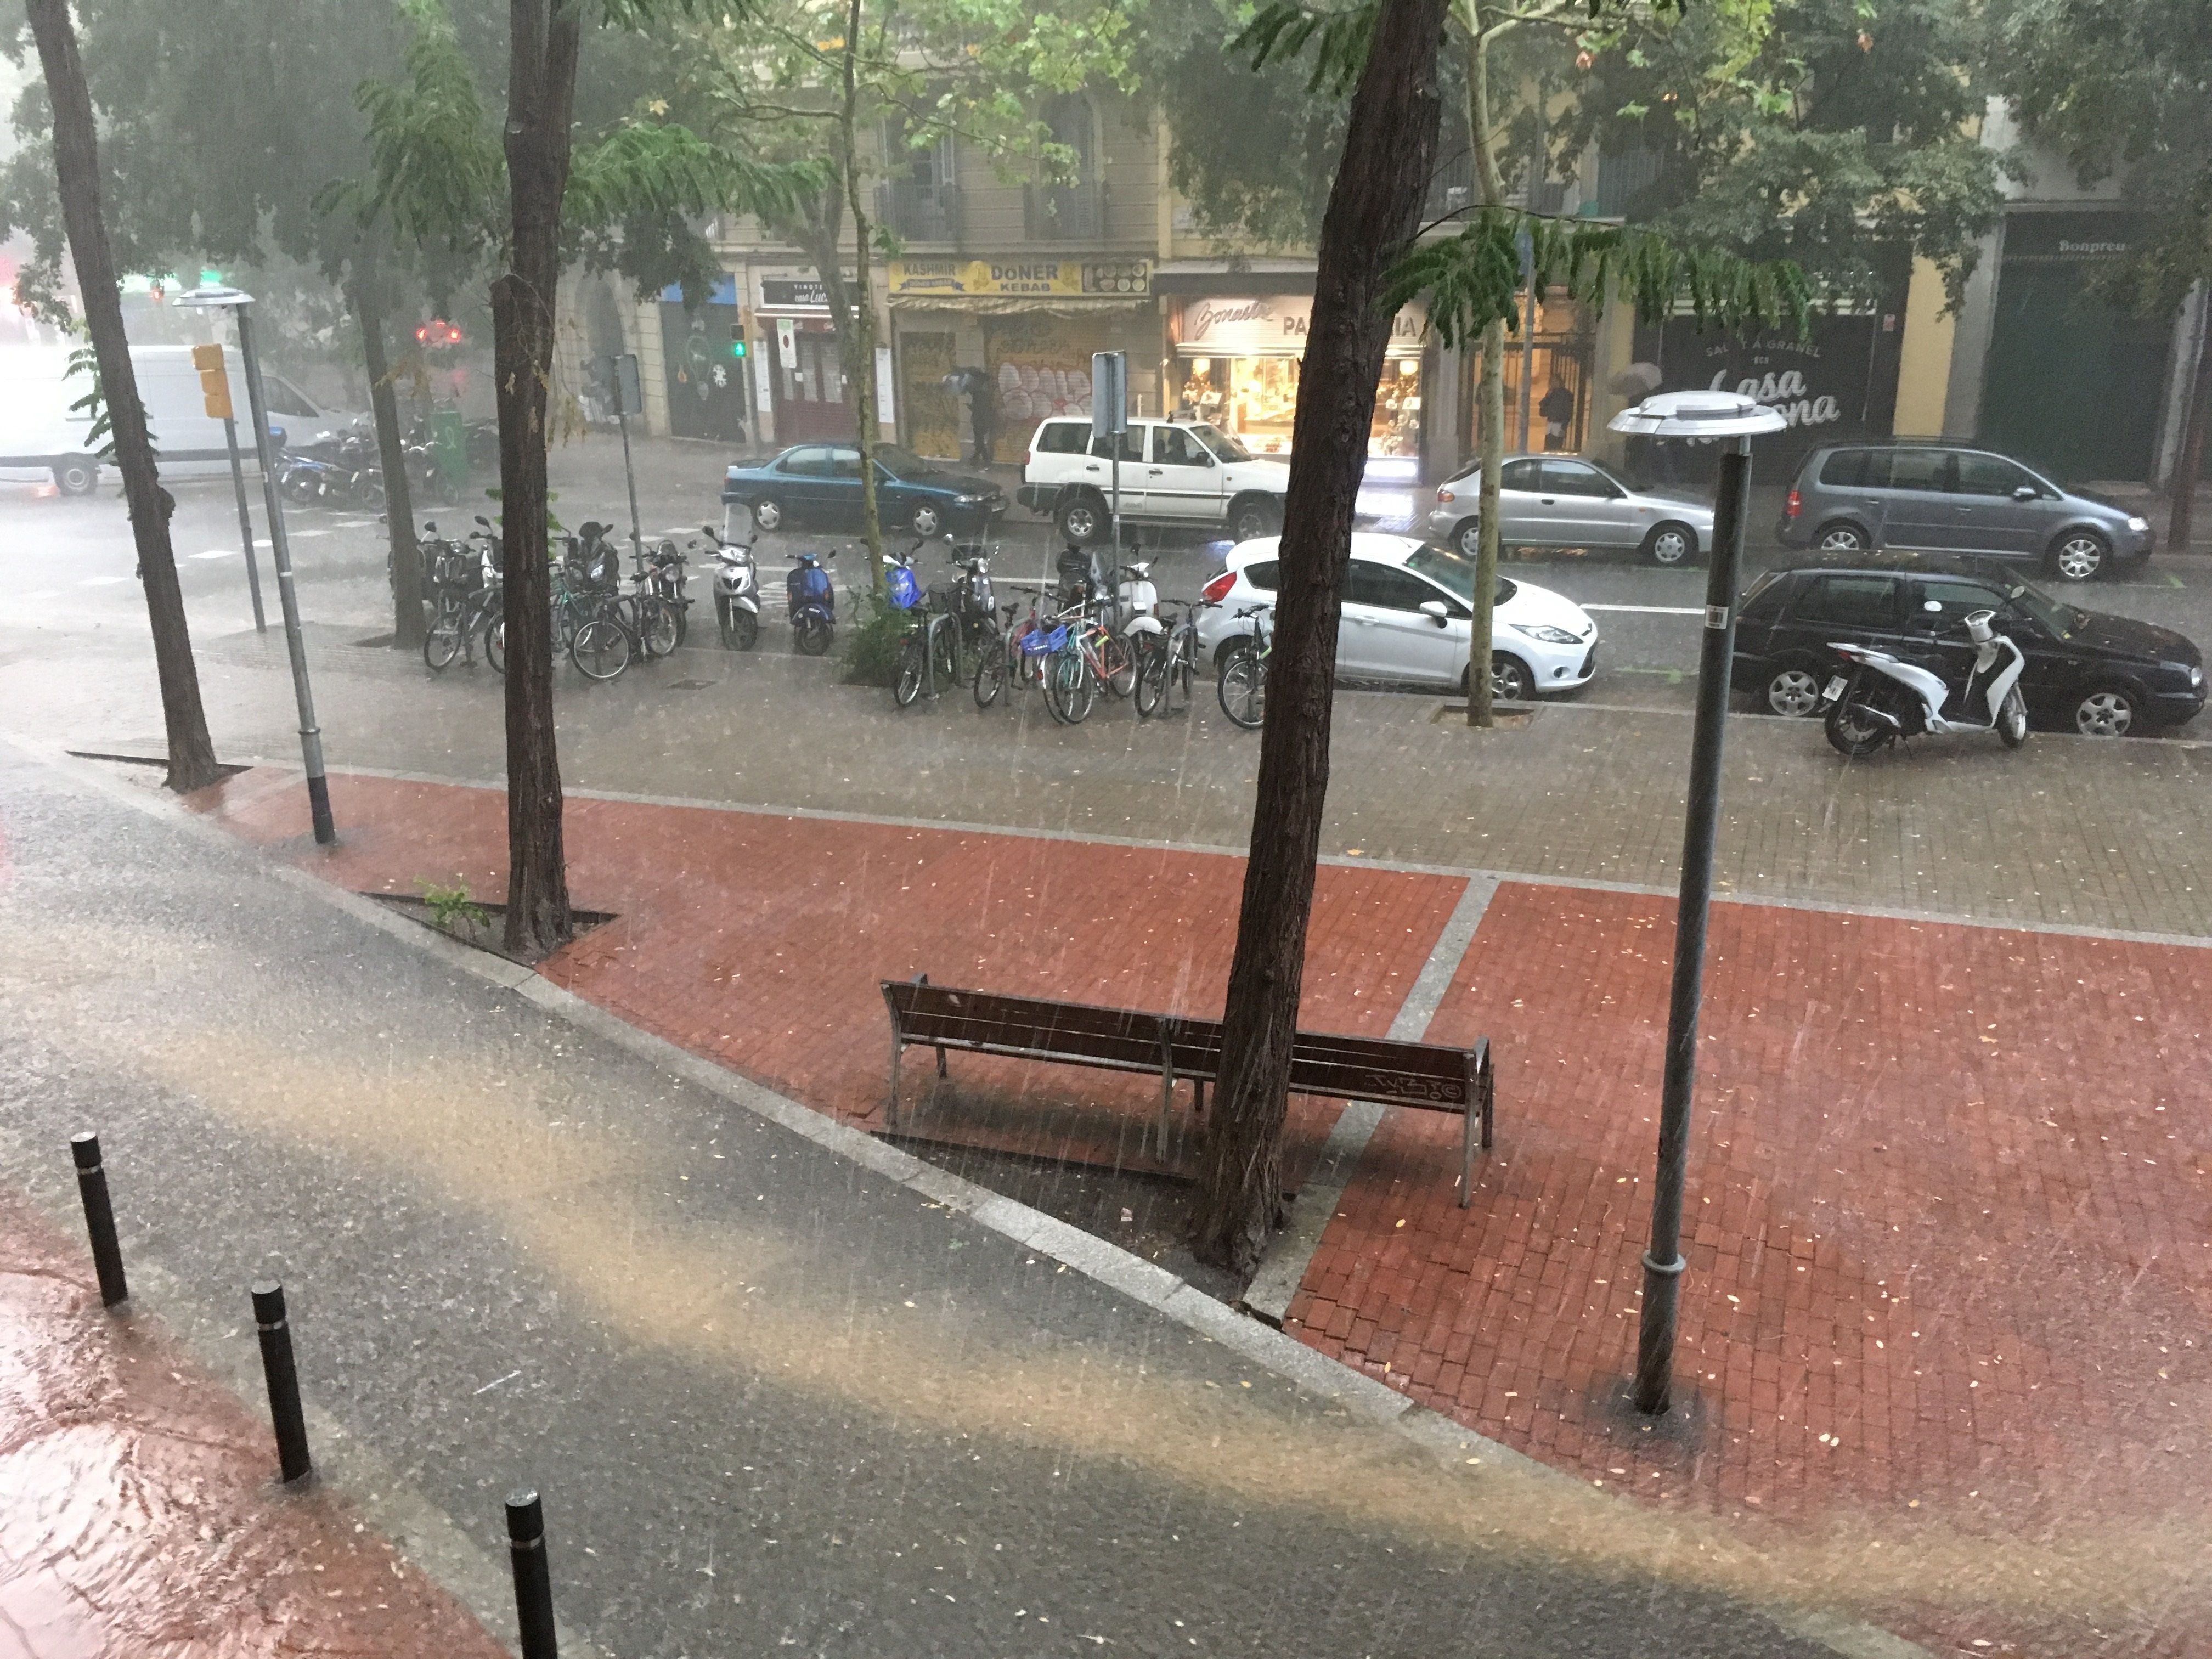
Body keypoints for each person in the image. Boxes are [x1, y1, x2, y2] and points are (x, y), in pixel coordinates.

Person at [941, 366, 995, 466]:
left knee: (979, 440)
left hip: (980, 420)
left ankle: (981, 460)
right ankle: (980, 459)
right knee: (979, 440)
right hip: (980, 420)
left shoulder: (980, 395)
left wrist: (972, 407)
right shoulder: (980, 393)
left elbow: (980, 409)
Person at [1539, 377, 1576, 451]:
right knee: (1548, 443)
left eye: (1555, 382)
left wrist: (1564, 425)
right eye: (1552, 382)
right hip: (1551, 421)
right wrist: (1548, 396)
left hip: (1560, 422)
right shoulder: (1551, 393)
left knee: (1557, 444)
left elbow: (1568, 410)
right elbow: (1542, 404)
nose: (1553, 384)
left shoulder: (1566, 394)